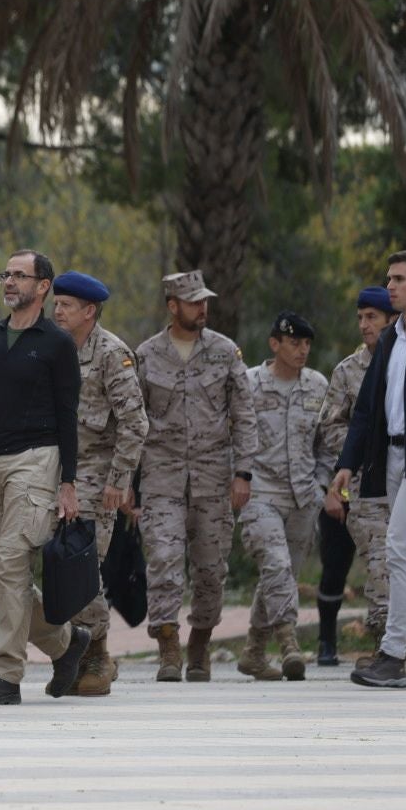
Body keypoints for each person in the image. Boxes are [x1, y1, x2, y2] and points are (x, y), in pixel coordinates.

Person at [0, 249, 87, 705]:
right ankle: (65, 645)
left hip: (37, 460)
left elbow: (68, 416)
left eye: (19, 276)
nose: (9, 282)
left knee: (11, 562)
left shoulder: (56, 343)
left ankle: (5, 675)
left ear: (43, 286)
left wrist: (68, 482)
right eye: (6, 274)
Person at [133, 270, 257, 682]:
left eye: (204, 301)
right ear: (173, 306)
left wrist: (243, 473)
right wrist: (130, 484)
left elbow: (244, 416)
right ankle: (168, 646)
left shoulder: (225, 353)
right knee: (164, 561)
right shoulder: (147, 355)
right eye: (193, 302)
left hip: (213, 477)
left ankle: (200, 642)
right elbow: (134, 422)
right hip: (161, 478)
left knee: (210, 568)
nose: (202, 308)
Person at [50, 271, 149, 696]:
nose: (57, 311)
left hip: (96, 475)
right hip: (52, 473)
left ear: (89, 311)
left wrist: (119, 481)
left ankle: (98, 655)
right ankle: (72, 652)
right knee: (54, 566)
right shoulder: (51, 348)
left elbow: (135, 422)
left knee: (83, 565)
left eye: (66, 305)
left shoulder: (112, 354)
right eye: (56, 303)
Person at [237, 312, 330, 682]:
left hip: (304, 497)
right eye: (294, 343)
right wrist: (239, 476)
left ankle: (253, 653)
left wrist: (322, 486)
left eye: (307, 344)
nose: (302, 350)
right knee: (276, 566)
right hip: (261, 492)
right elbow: (235, 436)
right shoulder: (249, 385)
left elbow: (327, 442)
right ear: (275, 344)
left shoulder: (317, 386)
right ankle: (289, 642)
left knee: (281, 575)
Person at [336, 251, 406, 689]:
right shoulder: (390, 340)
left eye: (399, 279)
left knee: (398, 548)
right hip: (395, 459)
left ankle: (393, 652)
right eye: (389, 279)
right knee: (404, 554)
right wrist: (347, 464)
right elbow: (366, 409)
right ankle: (396, 652)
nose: (391, 287)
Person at [320, 287, 398, 666]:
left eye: (373, 318)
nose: (365, 325)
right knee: (380, 560)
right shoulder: (347, 371)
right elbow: (331, 426)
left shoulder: (403, 358)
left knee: (402, 558)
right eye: (361, 318)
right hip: (365, 487)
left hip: (402, 475)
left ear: (391, 319)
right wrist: (359, 454)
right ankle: (387, 641)